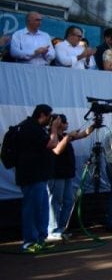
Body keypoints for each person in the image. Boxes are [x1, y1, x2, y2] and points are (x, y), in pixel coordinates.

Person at [15, 105, 62, 252]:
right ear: (42, 115)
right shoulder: (30, 127)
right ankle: (30, 241)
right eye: (50, 116)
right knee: (32, 208)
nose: (51, 120)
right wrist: (54, 128)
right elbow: (52, 144)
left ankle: (40, 238)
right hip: (31, 176)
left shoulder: (36, 128)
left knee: (42, 208)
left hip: (40, 176)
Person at [48, 115, 93, 240]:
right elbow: (57, 150)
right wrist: (67, 137)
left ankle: (61, 228)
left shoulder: (65, 136)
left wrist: (94, 125)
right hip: (56, 175)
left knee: (68, 201)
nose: (67, 123)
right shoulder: (52, 136)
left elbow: (83, 134)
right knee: (55, 202)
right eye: (64, 122)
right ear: (57, 124)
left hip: (67, 175)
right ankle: (52, 230)